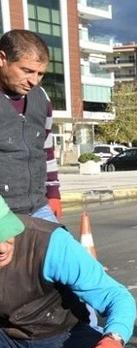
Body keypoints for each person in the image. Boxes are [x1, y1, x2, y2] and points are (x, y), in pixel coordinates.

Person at [0, 195, 136, 348]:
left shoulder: (49, 243)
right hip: (7, 338)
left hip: (61, 336)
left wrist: (114, 338)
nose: (3, 247)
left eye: (6, 233)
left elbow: (115, 295)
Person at [0, 30, 62, 222]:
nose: (33, 81)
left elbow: (46, 149)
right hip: (3, 211)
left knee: (69, 250)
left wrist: (53, 193)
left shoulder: (41, 98)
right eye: (27, 71)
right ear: (2, 59)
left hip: (37, 205)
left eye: (40, 73)